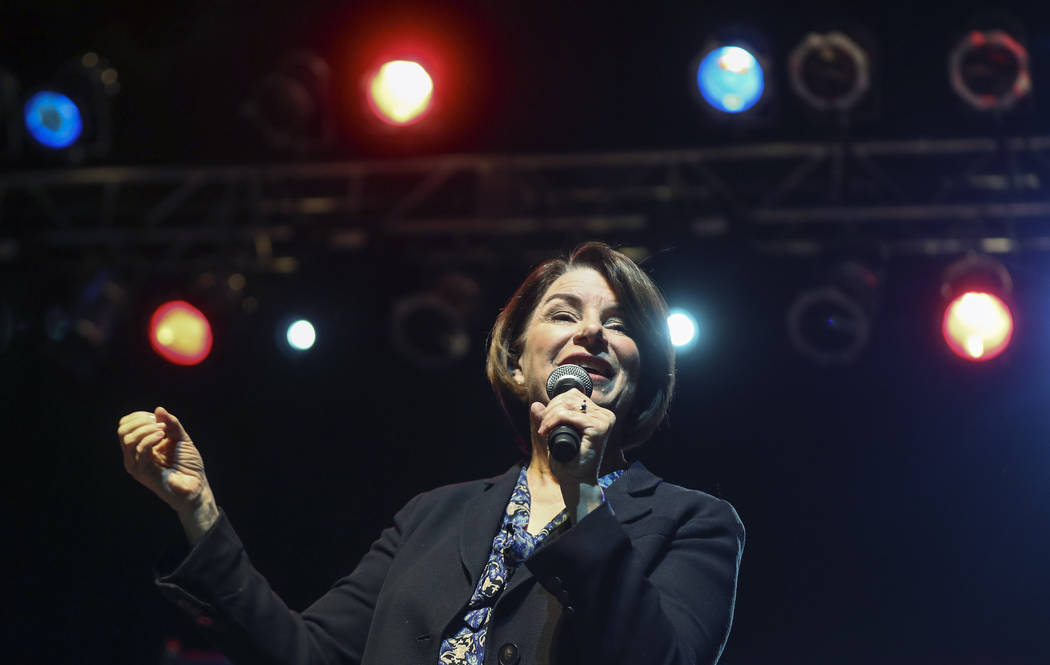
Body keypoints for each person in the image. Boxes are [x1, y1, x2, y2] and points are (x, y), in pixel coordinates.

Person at [118, 242, 745, 665]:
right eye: (563, 314)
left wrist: (582, 496)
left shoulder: (694, 523)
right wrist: (198, 509)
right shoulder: (431, 517)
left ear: (644, 373)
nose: (591, 332)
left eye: (620, 324)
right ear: (516, 361)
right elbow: (304, 653)